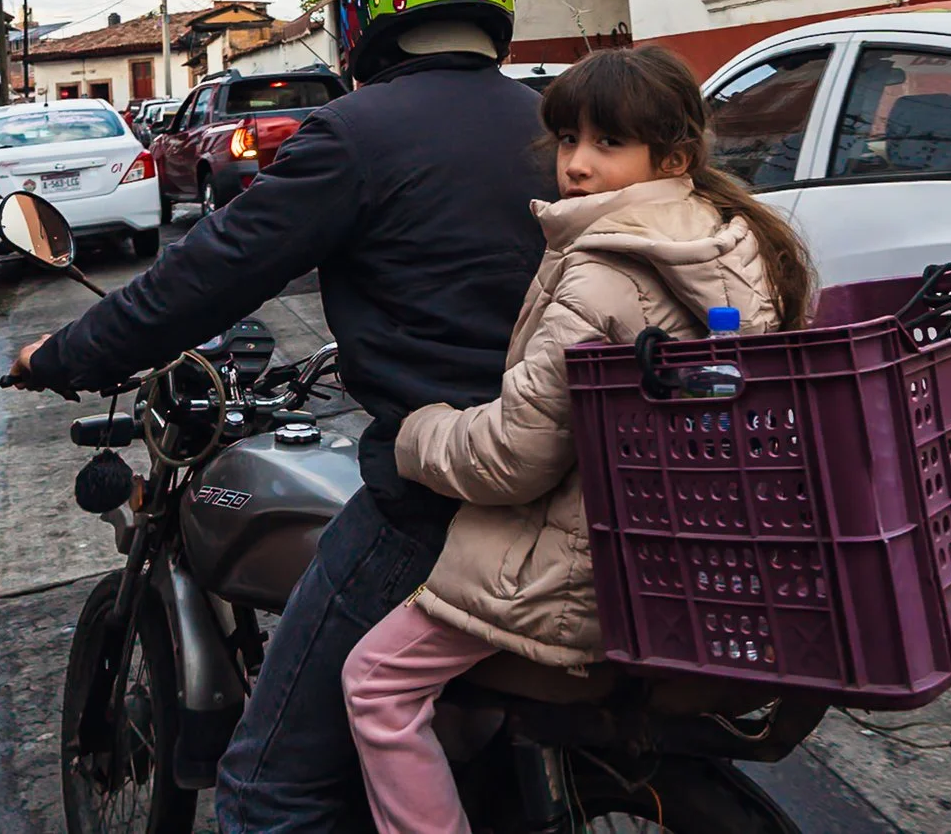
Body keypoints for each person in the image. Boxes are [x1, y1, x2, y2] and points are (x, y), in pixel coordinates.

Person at [8, 0, 550, 833]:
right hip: (569, 482)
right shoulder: (552, 122)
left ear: (363, 6)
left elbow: (205, 276)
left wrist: (65, 352)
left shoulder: (356, 135)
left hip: (434, 503)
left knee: (265, 787)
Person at [338, 46, 815, 834]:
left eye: (607, 142)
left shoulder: (605, 268)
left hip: (573, 568)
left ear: (673, 157)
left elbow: (514, 457)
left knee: (376, 682)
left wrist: (417, 435)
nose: (578, 164)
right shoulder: (726, 240)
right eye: (567, 139)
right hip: (675, 553)